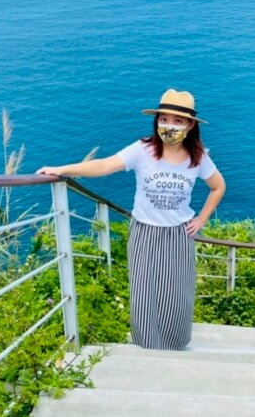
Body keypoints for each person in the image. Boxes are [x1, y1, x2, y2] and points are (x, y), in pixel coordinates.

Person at [37, 89, 226, 350]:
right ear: (156, 120)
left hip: (178, 234)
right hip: (144, 232)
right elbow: (104, 165)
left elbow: (218, 187)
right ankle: (148, 347)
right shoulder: (143, 150)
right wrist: (62, 170)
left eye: (178, 121)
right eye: (164, 119)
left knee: (177, 295)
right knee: (144, 294)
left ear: (190, 125)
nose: (169, 126)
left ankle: (174, 346)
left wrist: (201, 219)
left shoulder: (198, 158)